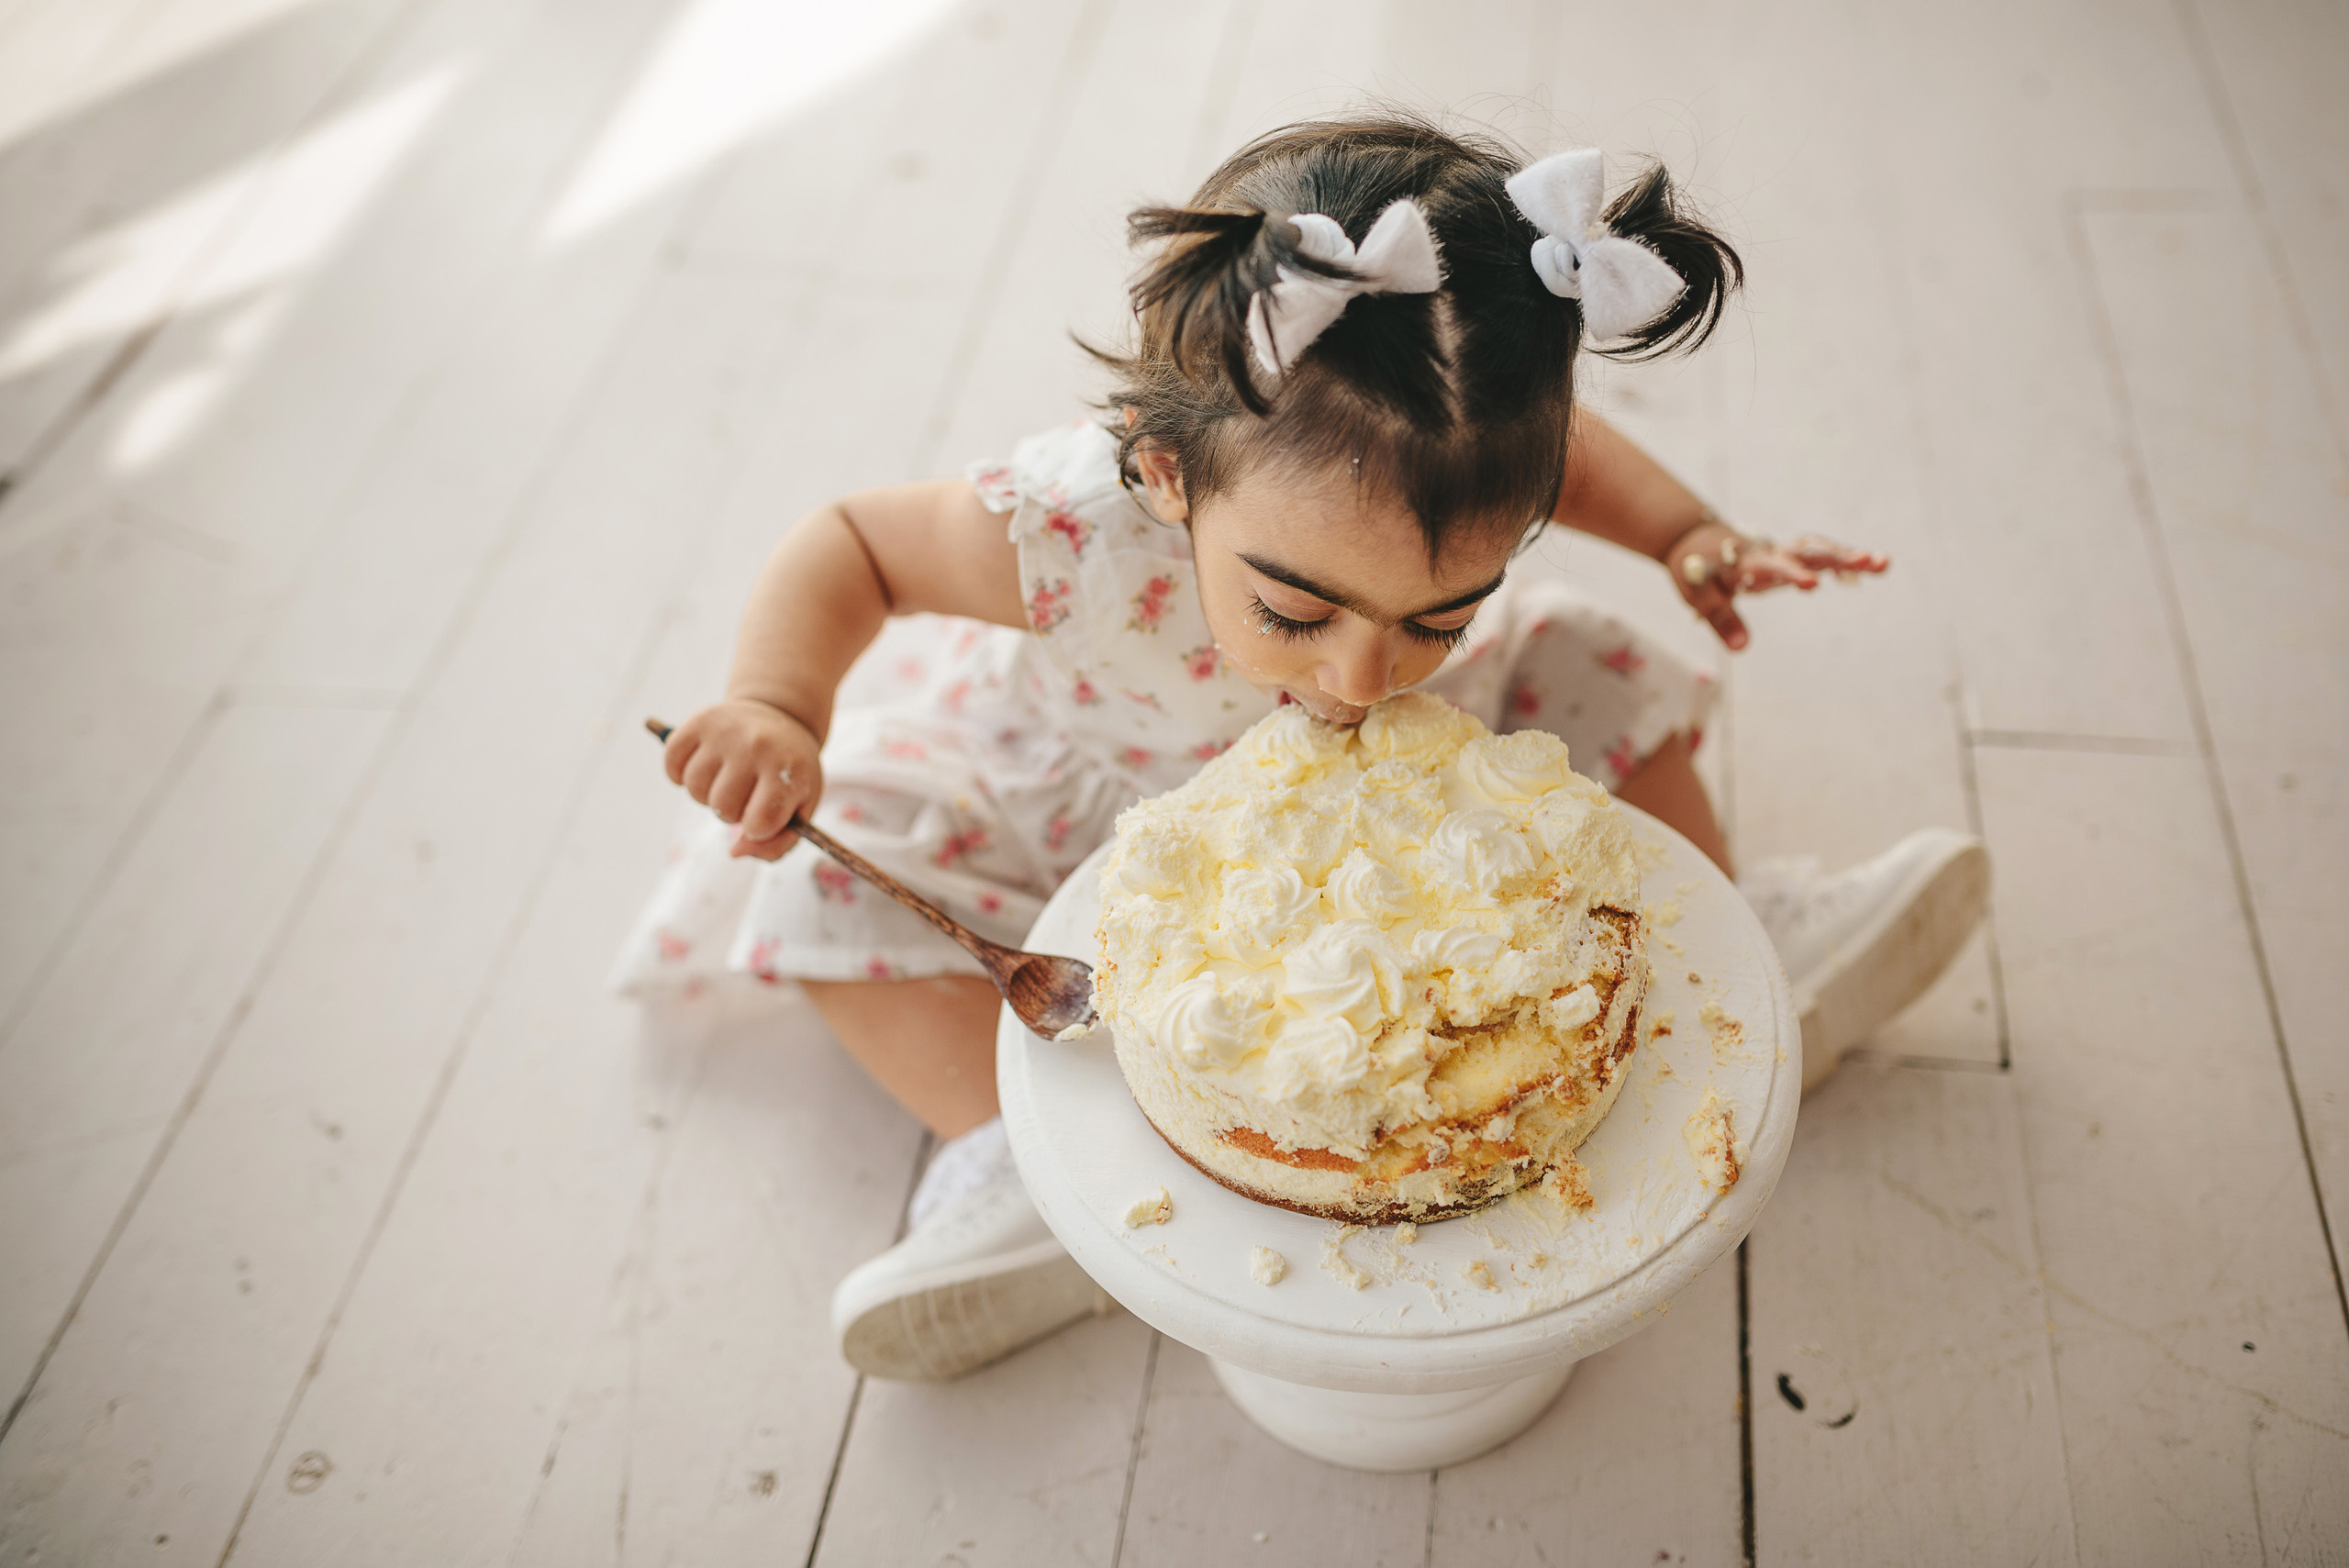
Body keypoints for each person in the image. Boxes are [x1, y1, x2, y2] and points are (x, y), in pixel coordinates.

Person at [612, 115, 1989, 1382]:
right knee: (828, 886)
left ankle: (1713, 940)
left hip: (1414, 808)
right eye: (1293, 611)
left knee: (1596, 679)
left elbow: (1571, 455)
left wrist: (1687, 532)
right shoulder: (1075, 525)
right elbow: (852, 544)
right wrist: (778, 703)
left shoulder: (1464, 469)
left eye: (1439, 618)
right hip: (1114, 790)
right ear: (1168, 474)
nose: (1362, 676)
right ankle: (1016, 1158)